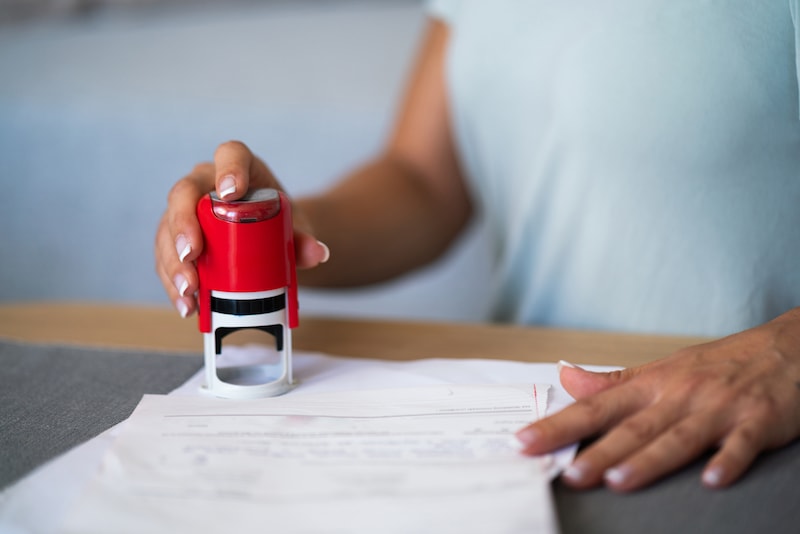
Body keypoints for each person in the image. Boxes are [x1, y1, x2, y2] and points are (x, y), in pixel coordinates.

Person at [155, 1, 800, 493]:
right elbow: (422, 181)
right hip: (526, 402)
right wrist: (276, 228)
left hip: (722, 422)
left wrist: (789, 350)